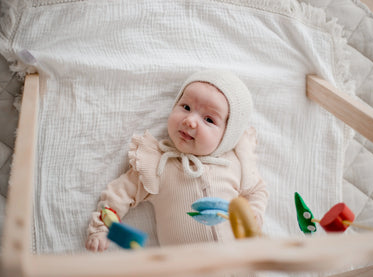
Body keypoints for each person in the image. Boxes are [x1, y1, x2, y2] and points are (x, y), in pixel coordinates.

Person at [85, 69, 269, 252]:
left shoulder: (235, 164)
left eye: (209, 119)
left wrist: (254, 214)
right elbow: (119, 193)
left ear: (227, 134)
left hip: (237, 264)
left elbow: (256, 191)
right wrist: (101, 227)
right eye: (186, 107)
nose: (190, 121)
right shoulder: (158, 165)